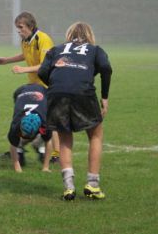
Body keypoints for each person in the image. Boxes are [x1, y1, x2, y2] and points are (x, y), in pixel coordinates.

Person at [38, 21, 112, 201]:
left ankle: (69, 187)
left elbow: (42, 71)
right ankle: (92, 184)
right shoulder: (95, 50)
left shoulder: (57, 49)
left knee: (64, 138)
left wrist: (56, 85)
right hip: (83, 92)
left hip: (56, 93)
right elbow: (106, 68)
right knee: (95, 134)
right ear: (89, 35)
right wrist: (104, 97)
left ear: (69, 35)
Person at [0, 11, 60, 165]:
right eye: (17, 27)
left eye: (21, 27)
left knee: (51, 120)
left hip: (48, 85)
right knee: (33, 117)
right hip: (35, 85)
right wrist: (7, 60)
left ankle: (53, 153)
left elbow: (45, 65)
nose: (18, 30)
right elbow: (25, 55)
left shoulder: (43, 39)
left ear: (30, 26)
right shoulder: (26, 40)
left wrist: (23, 70)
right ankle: (27, 147)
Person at [7, 83, 52, 173]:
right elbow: (12, 145)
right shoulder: (16, 123)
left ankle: (38, 146)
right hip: (20, 91)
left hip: (43, 91)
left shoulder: (44, 123)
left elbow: (48, 141)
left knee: (50, 132)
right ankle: (20, 148)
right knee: (16, 140)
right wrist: (17, 168)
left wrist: (46, 167)